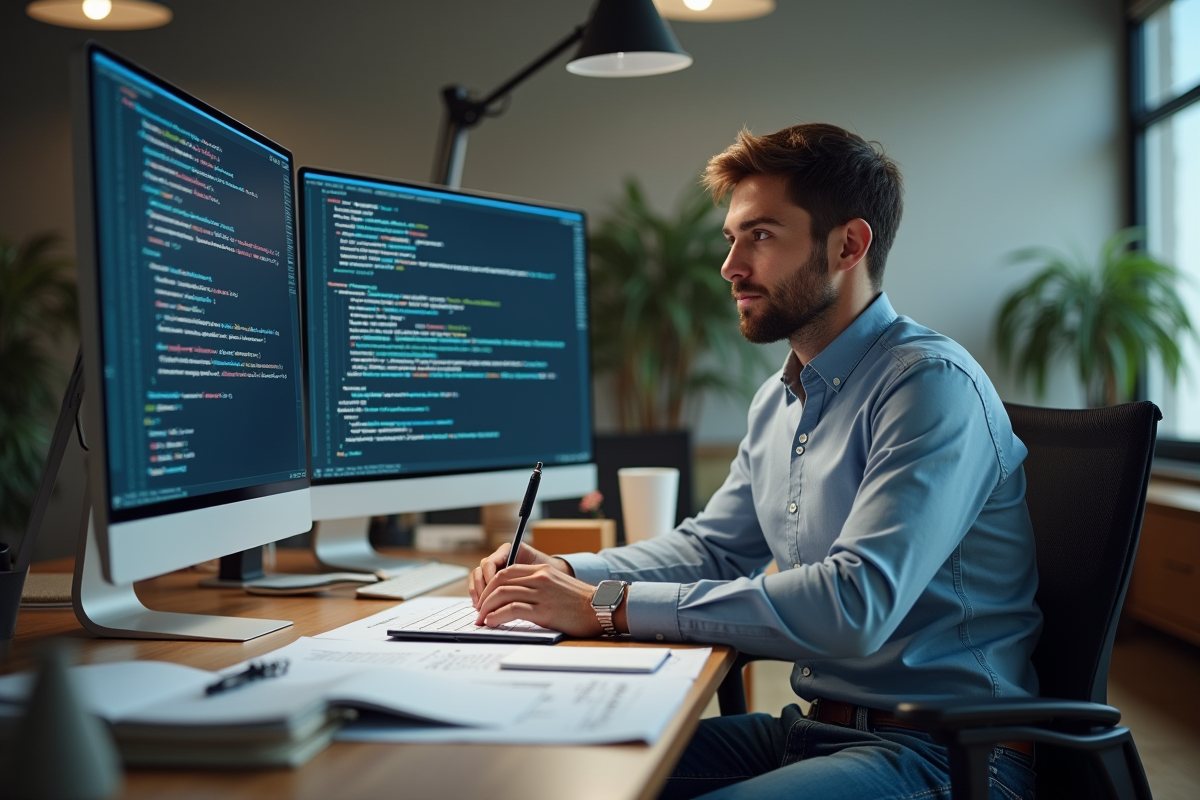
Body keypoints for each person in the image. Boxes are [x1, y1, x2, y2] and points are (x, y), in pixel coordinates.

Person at [469, 123, 1041, 800]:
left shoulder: (928, 384)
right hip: (813, 731)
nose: (730, 265)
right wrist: (564, 572)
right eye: (731, 237)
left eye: (761, 236)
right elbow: (712, 548)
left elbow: (853, 604)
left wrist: (605, 606)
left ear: (848, 245)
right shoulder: (780, 399)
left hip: (946, 755)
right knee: (531, 768)